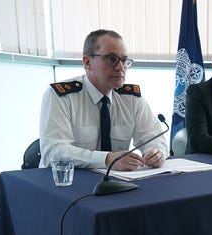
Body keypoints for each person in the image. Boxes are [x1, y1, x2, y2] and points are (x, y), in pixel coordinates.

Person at [39, 29, 168, 171]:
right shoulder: (61, 96)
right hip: (66, 183)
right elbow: (54, 151)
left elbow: (154, 137)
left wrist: (156, 153)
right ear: (87, 62)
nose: (120, 67)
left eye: (124, 60)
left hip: (116, 184)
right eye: (111, 59)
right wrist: (106, 159)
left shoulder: (131, 99)